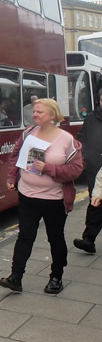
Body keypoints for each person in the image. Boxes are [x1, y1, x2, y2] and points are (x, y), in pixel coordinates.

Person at [0, 98, 83, 295]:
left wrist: (49, 168)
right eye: (34, 111)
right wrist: (12, 176)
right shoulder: (28, 133)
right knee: (25, 236)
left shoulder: (66, 140)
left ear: (52, 115)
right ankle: (16, 277)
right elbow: (16, 156)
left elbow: (76, 169)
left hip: (54, 199)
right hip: (27, 195)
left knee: (55, 238)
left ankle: (56, 277)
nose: (35, 115)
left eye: (40, 112)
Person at [73, 89, 102, 254]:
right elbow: (82, 137)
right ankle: (88, 239)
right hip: (95, 167)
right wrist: (87, 155)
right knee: (95, 201)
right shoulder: (91, 118)